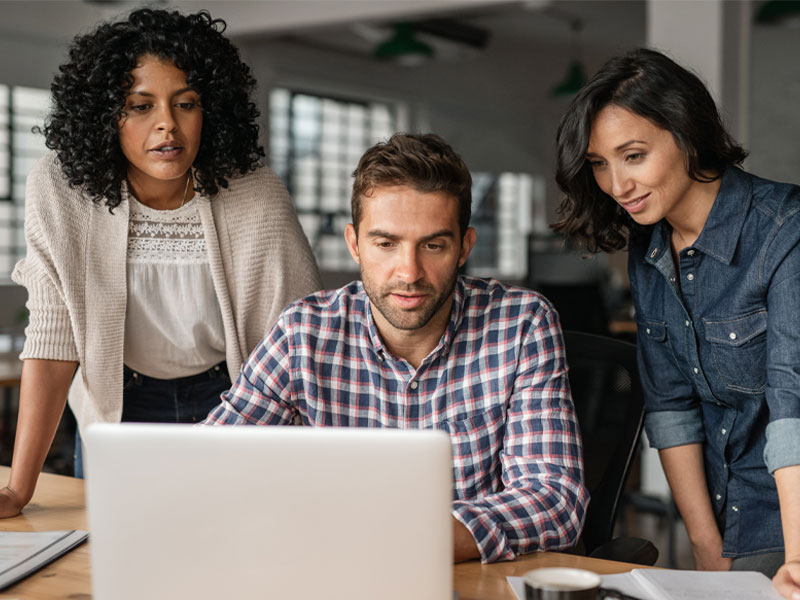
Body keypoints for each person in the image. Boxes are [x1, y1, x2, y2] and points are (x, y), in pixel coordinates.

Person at [204, 132, 588, 563]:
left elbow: (554, 499)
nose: (409, 272)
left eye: (433, 245)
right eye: (386, 244)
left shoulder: (521, 324)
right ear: (355, 245)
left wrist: (401, 538)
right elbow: (210, 464)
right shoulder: (303, 332)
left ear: (464, 247)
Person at [0, 8, 321, 517]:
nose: (167, 124)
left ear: (209, 110)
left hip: (235, 401)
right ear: (106, 114)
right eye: (140, 105)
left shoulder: (255, 193)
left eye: (185, 103)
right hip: (118, 405)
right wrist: (20, 487)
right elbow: (53, 340)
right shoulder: (60, 189)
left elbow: (296, 347)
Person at [553, 48, 800, 598]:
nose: (617, 185)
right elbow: (671, 407)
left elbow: (792, 403)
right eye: (599, 163)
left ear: (686, 133)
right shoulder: (649, 248)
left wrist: (798, 557)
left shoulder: (785, 233)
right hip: (724, 512)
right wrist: (707, 546)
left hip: (789, 503)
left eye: (633, 155)